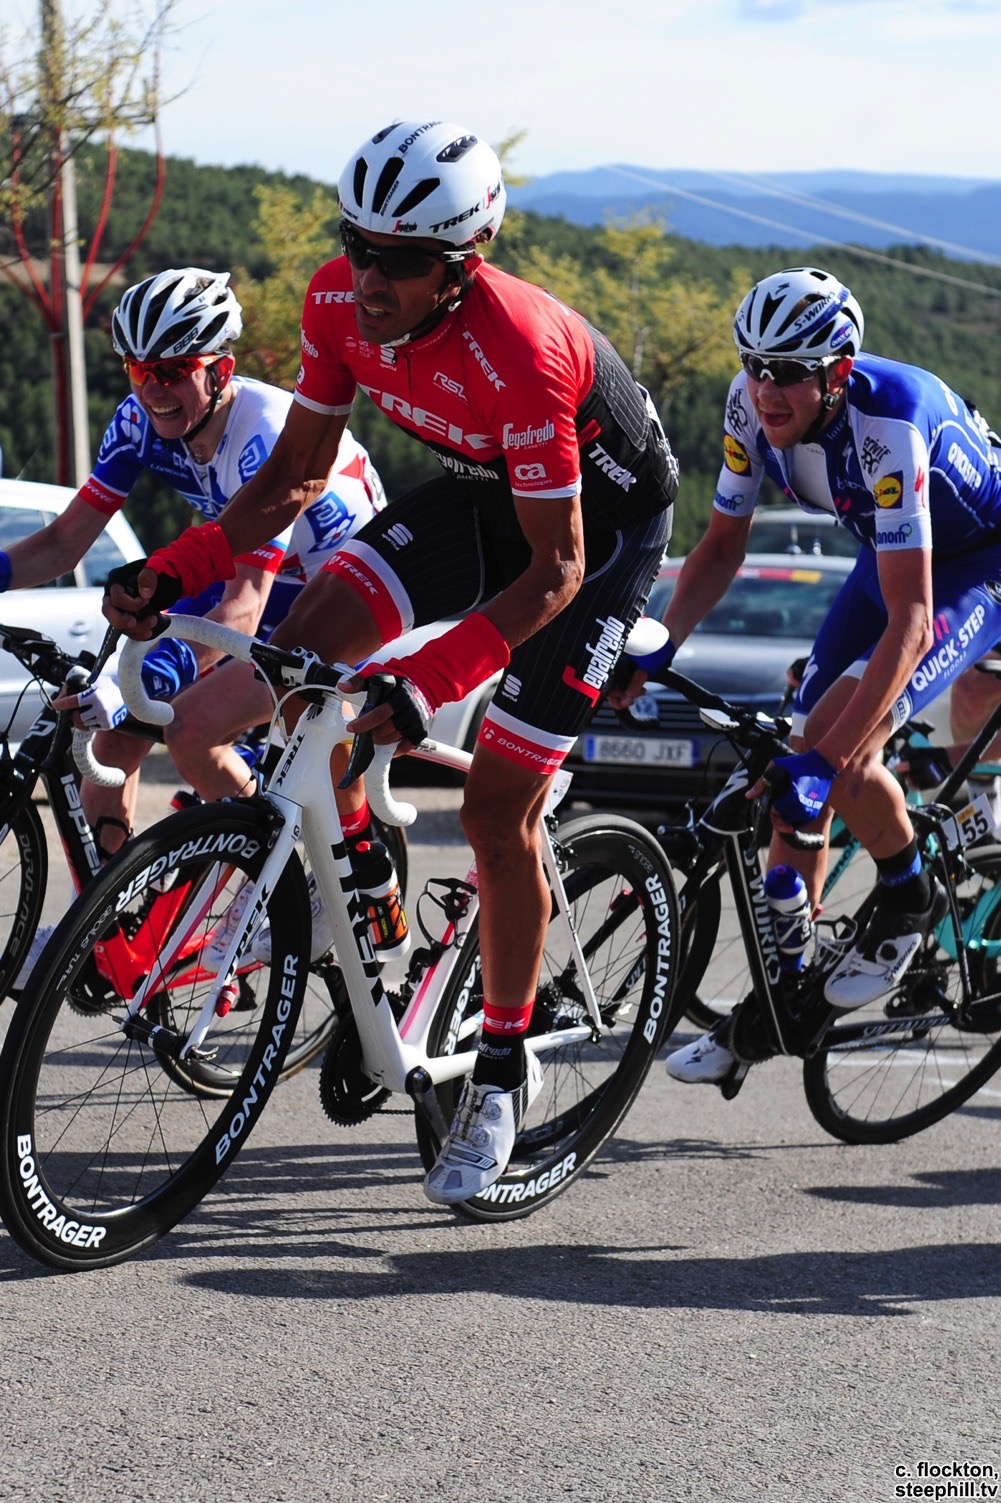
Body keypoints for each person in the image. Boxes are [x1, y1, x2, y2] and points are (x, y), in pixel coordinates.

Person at [103, 118, 679, 1205]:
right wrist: (173, 569)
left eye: (400, 259)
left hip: (592, 542)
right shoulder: (336, 301)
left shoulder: (521, 350)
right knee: (296, 657)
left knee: (496, 809)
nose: (368, 277)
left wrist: (426, 683)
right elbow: (290, 479)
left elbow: (555, 568)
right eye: (355, 244)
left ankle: (499, 1070)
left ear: (463, 263)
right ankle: (357, 874)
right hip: (480, 494)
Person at [616, 265, 1001, 1084]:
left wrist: (830, 759)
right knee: (797, 764)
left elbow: (910, 617)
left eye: (787, 371)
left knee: (839, 753)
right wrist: (659, 645)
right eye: (753, 365)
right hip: (889, 553)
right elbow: (721, 546)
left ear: (838, 371)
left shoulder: (888, 420)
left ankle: (909, 895)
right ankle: (781, 997)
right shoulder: (747, 404)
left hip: (978, 563)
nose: (765, 389)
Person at [0, 266, 385, 976]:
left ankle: (275, 884)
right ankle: (113, 931)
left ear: (221, 370)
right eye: (139, 370)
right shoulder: (139, 421)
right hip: (251, 578)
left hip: (337, 594)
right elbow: (61, 544)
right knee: (107, 750)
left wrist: (132, 682)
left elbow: (243, 609)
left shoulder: (263, 433)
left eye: (174, 370)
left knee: (191, 728)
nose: (153, 388)